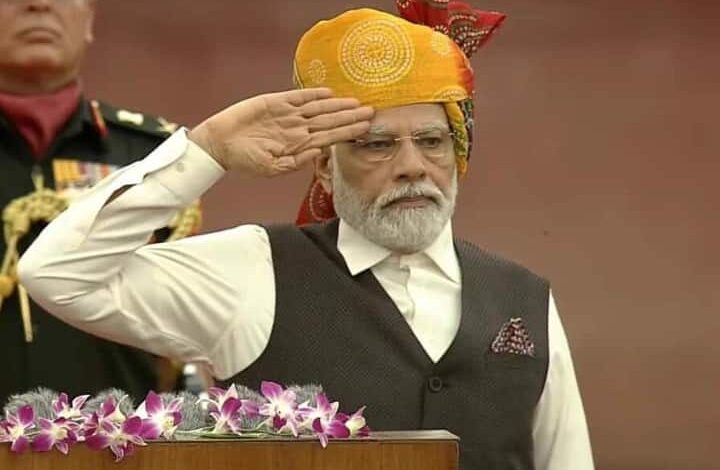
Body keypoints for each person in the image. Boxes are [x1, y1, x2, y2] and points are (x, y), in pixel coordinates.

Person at [19, 2, 594, 469]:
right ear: (324, 166)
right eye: (376, 144)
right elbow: (56, 273)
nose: (412, 166)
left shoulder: (523, 298)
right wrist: (206, 152)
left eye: (431, 141)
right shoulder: (254, 272)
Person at [0, 0, 196, 406]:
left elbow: (180, 319)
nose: (39, 5)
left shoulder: (151, 157)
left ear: (88, 20)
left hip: (118, 433)